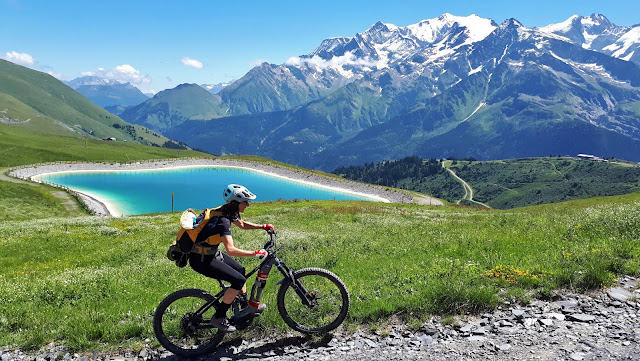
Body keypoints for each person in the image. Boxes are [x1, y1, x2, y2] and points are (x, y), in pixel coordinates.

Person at [188, 184, 274, 332]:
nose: (248, 204)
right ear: (236, 203)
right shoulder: (223, 221)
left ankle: (244, 308)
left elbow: (241, 224)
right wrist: (255, 253)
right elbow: (231, 250)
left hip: (210, 253)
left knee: (241, 270)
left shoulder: (227, 211)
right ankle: (218, 317)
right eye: (245, 202)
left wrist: (262, 226)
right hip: (201, 260)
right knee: (238, 280)